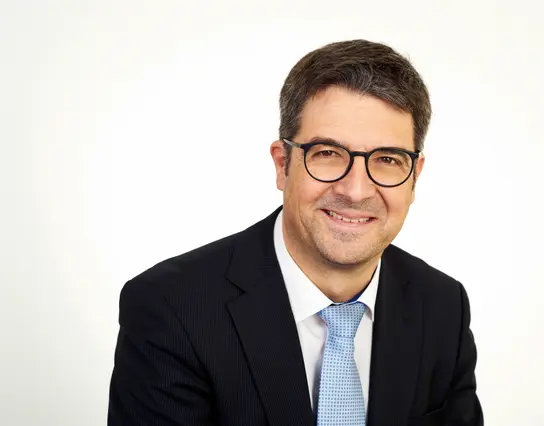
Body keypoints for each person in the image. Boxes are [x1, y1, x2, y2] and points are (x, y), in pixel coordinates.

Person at [108, 39, 483, 426]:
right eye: (327, 153)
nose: (356, 191)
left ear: (414, 177)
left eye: (387, 159)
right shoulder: (172, 308)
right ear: (282, 165)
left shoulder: (443, 307)